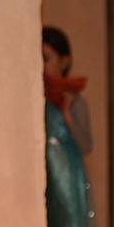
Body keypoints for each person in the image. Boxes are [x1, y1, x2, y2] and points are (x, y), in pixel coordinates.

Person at [43, 25, 95, 158]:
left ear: (64, 62)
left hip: (68, 174)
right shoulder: (38, 99)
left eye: (45, 59)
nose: (41, 66)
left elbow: (86, 146)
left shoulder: (75, 102)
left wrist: (67, 116)